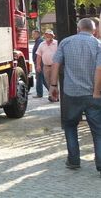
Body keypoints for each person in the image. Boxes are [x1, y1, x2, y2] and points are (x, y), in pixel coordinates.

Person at [50, 18, 101, 175]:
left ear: (78, 29)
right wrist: (97, 92)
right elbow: (99, 69)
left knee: (70, 126)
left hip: (71, 94)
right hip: (92, 94)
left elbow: (56, 64)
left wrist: (53, 86)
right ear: (94, 30)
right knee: (98, 130)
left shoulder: (65, 42)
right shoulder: (98, 44)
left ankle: (73, 160)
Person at [36, 29, 58, 102]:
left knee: (54, 81)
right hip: (46, 66)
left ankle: (53, 96)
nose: (48, 36)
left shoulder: (57, 43)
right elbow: (39, 55)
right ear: (45, 36)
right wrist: (38, 65)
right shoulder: (42, 44)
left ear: (52, 36)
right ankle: (53, 95)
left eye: (49, 34)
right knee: (48, 81)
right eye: (46, 35)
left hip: (55, 66)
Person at [31, 29, 45, 98]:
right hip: (39, 62)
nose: (32, 36)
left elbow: (38, 53)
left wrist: (38, 64)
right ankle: (52, 92)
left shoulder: (39, 41)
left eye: (33, 34)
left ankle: (39, 93)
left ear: (37, 34)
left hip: (39, 62)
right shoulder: (38, 41)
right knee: (43, 79)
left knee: (39, 78)